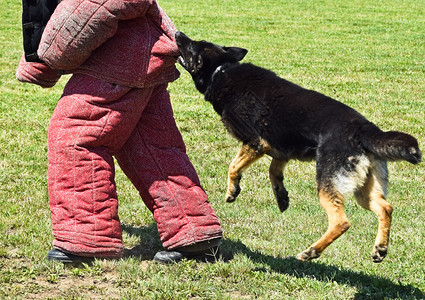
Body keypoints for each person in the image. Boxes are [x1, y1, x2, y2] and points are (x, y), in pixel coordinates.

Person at [16, 0, 222, 263]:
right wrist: (38, 60)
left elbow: (91, 6)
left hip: (119, 59)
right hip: (141, 53)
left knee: (76, 136)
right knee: (151, 146)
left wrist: (47, 56)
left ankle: (86, 238)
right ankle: (195, 232)